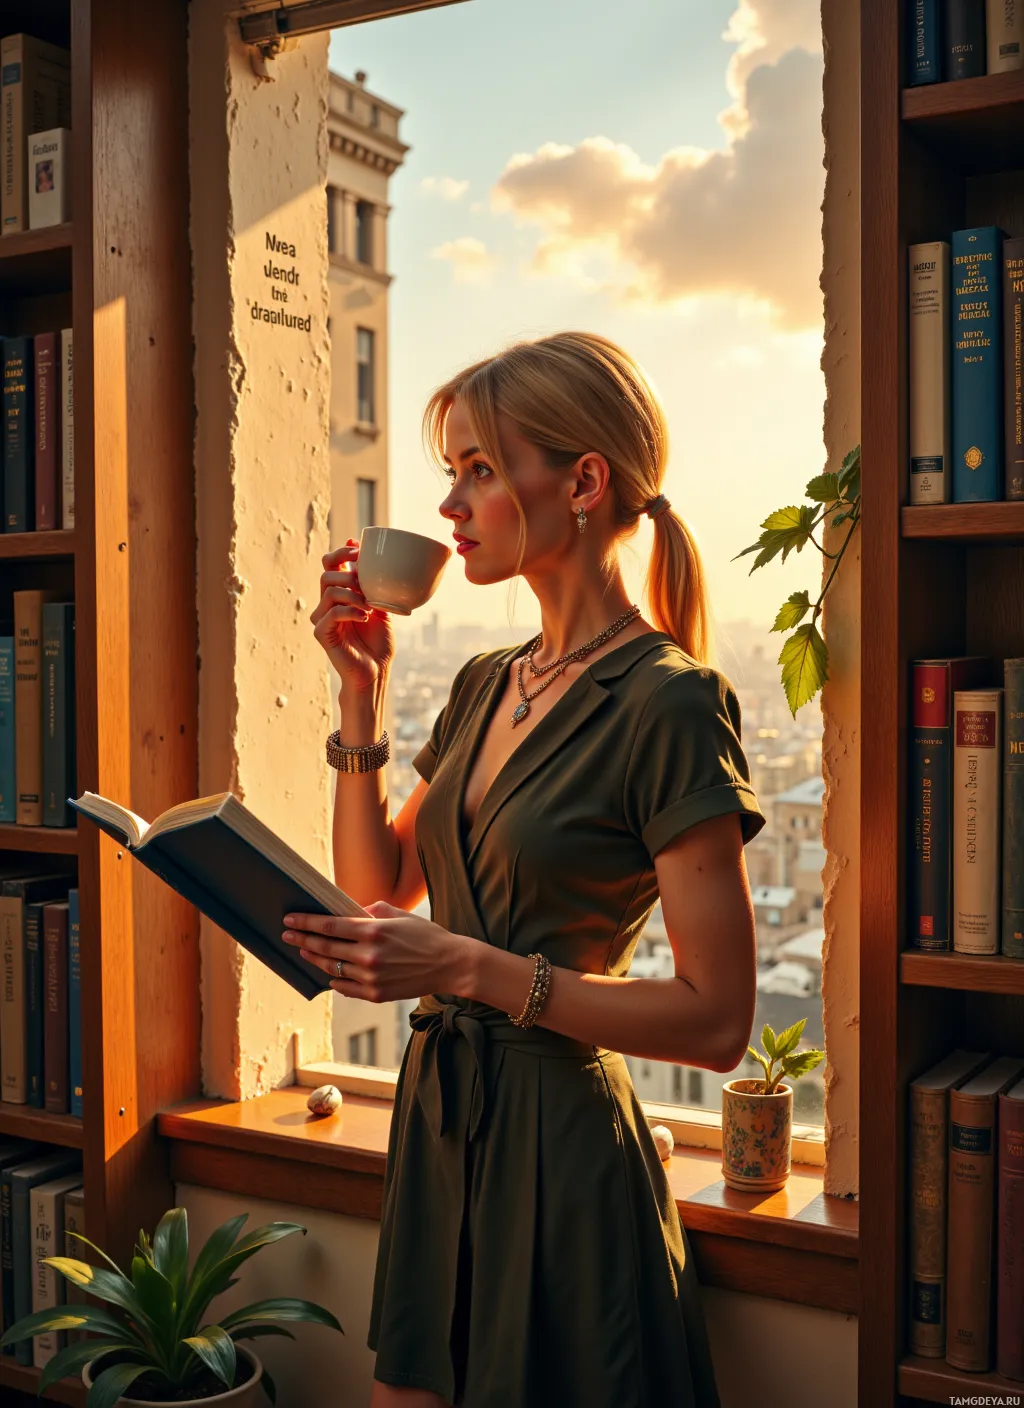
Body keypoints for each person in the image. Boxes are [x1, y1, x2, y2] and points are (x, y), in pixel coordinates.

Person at [283, 331, 765, 1408]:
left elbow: (716, 1018)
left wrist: (466, 966)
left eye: (480, 469)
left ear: (583, 482)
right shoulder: (482, 681)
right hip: (440, 1130)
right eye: (450, 472)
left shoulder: (669, 702)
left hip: (563, 1155)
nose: (450, 506)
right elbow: (380, 891)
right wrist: (358, 697)